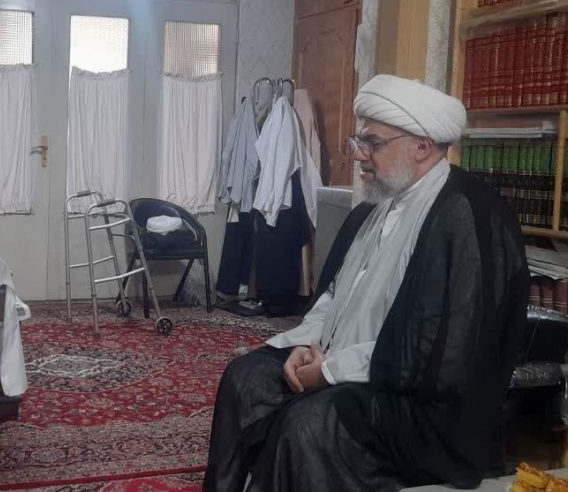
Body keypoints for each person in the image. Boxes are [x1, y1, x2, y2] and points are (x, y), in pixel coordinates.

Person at [203, 75, 530, 491]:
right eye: (360, 142)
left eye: (373, 143)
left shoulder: (462, 215)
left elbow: (436, 354)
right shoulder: (375, 208)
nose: (359, 155)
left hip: (425, 407)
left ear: (422, 146)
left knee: (310, 425)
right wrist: (308, 346)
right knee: (246, 380)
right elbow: (334, 296)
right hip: (352, 365)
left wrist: (331, 371)